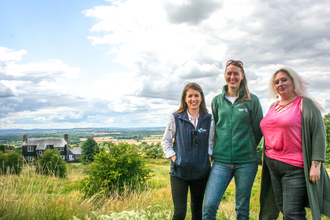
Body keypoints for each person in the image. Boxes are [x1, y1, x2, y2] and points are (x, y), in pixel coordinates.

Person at [259, 67, 330, 219]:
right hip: (272, 164)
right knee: (283, 208)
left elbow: (319, 134)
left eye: (284, 80)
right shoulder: (273, 106)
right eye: (276, 82)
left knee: (293, 213)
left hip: (295, 168)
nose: (280, 84)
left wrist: (316, 165)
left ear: (294, 82)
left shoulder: (305, 104)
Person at [203, 60, 263, 220]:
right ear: (225, 76)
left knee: (242, 210)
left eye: (236, 73)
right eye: (229, 73)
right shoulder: (216, 101)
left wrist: (247, 147)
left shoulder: (252, 100)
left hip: (246, 163)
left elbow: (258, 130)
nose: (232, 76)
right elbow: (213, 129)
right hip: (221, 162)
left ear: (242, 76)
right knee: (209, 206)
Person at [162, 82, 214, 220]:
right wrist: (176, 159)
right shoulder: (176, 117)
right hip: (179, 173)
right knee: (179, 213)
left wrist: (207, 160)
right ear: (185, 99)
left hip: (201, 174)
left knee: (197, 213)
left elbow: (211, 143)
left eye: (196, 95)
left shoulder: (209, 119)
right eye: (190, 96)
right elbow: (166, 141)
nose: (193, 99)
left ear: (201, 98)